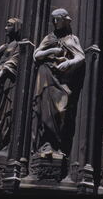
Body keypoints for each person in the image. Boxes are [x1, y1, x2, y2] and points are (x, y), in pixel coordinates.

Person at [31, 9, 86, 156]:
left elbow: (80, 57)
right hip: (46, 77)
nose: (55, 22)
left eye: (58, 19)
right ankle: (46, 145)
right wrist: (51, 51)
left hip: (62, 80)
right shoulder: (50, 37)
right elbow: (36, 55)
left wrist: (68, 63)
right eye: (53, 19)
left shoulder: (72, 39)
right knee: (44, 112)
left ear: (65, 20)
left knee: (60, 110)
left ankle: (57, 145)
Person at [0, 18, 33, 151]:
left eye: (9, 25)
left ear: (17, 27)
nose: (5, 28)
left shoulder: (18, 45)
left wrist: (1, 73)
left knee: (6, 115)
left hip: (8, 82)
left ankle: (6, 145)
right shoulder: (5, 46)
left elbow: (14, 61)